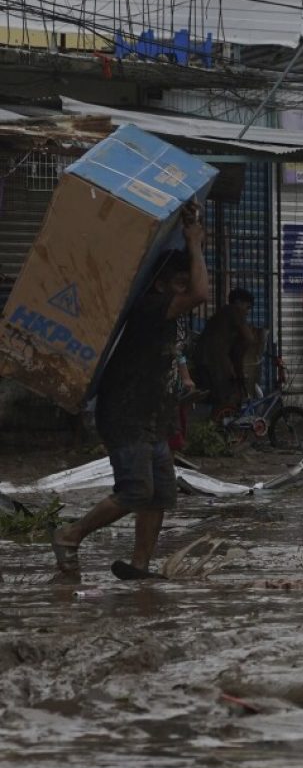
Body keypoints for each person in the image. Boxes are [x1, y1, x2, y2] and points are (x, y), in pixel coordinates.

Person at [50, 203, 208, 581]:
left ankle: (140, 565)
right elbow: (202, 292)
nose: (185, 288)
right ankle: (70, 535)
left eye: (185, 280)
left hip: (152, 416)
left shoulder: (169, 314)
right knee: (136, 490)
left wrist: (192, 234)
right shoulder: (151, 306)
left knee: (160, 494)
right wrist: (195, 244)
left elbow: (176, 349)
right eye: (178, 282)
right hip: (126, 414)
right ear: (159, 285)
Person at [194, 288, 255, 409]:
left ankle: (216, 423)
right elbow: (249, 338)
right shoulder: (234, 311)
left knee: (218, 398)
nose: (247, 312)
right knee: (226, 397)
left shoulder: (222, 314)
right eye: (247, 307)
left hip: (203, 358)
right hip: (214, 361)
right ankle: (219, 425)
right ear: (238, 302)